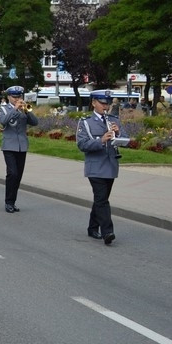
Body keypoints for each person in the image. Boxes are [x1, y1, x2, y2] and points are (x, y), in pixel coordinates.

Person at [77, 89, 121, 245]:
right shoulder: (85, 122)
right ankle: (107, 231)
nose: (106, 106)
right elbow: (82, 144)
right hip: (95, 167)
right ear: (94, 103)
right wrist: (101, 140)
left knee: (101, 199)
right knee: (102, 200)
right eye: (103, 103)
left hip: (110, 165)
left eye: (107, 103)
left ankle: (92, 227)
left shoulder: (113, 119)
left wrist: (118, 133)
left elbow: (126, 140)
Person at [0, 85, 38, 213]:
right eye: (14, 97)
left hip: (22, 146)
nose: (17, 99)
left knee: (18, 176)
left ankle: (13, 202)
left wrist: (27, 111)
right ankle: (8, 202)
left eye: (19, 96)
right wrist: (14, 109)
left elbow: (35, 122)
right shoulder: (3, 108)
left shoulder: (24, 109)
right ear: (9, 97)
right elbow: (2, 121)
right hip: (9, 145)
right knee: (12, 173)